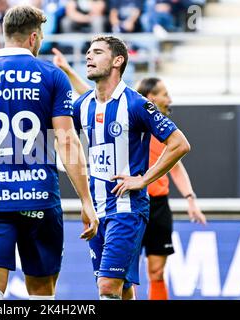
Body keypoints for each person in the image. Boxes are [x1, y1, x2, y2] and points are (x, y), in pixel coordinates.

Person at [0, 5, 98, 300]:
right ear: (33, 38)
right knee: (41, 293)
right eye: (40, 35)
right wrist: (86, 200)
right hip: (39, 199)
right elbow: (67, 141)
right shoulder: (52, 76)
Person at [52, 37, 191, 300]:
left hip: (127, 210)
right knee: (123, 290)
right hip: (97, 211)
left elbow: (179, 144)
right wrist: (86, 202)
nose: (88, 57)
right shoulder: (83, 105)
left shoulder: (136, 104)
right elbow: (63, 141)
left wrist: (143, 179)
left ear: (118, 61)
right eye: (88, 52)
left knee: (107, 287)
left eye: (97, 52)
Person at [136, 77, 206, 300]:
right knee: (123, 273)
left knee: (157, 271)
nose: (170, 99)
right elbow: (94, 96)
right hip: (132, 203)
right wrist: (69, 71)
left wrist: (190, 199)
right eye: (165, 94)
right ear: (150, 98)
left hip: (158, 206)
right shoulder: (131, 124)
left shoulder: (166, 131)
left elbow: (176, 168)